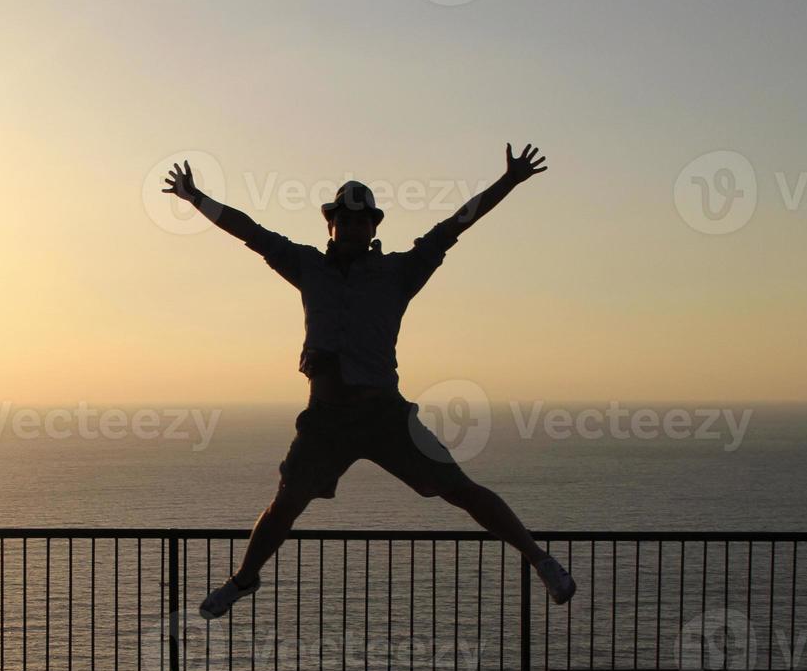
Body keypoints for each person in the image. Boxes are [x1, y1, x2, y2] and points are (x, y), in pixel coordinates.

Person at [162, 144, 577, 618]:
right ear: (332, 225)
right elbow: (250, 232)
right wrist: (197, 199)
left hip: (384, 416)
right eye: (346, 220)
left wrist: (508, 182)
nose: (355, 227)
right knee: (285, 504)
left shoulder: (399, 271)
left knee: (459, 489)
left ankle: (540, 560)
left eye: (363, 221)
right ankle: (243, 581)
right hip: (326, 419)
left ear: (374, 227)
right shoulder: (306, 266)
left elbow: (454, 226)